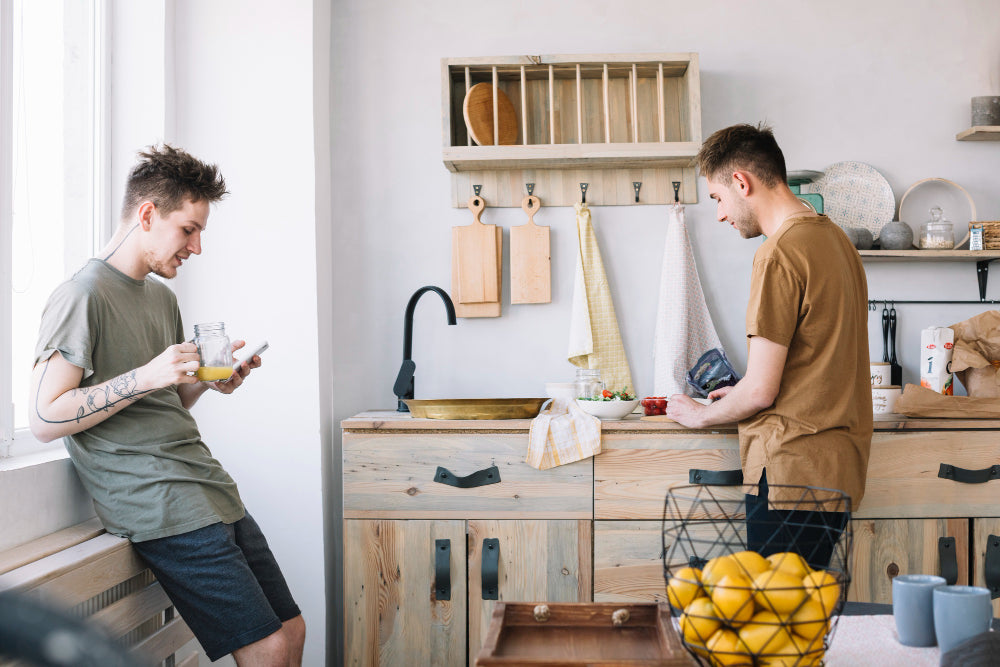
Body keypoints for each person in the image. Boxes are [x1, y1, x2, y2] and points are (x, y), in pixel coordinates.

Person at [28, 145, 305, 665]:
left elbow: (167, 399)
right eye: (188, 229)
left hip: (208, 485)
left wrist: (208, 383)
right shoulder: (80, 296)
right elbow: (44, 418)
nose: (197, 247)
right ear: (148, 214)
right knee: (267, 648)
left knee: (292, 629)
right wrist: (144, 375)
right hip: (158, 501)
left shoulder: (161, 298)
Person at [666, 123, 872, 567]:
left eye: (718, 198)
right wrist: (737, 394)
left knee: (777, 623)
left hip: (790, 474)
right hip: (836, 472)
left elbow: (762, 390)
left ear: (742, 182)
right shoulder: (838, 241)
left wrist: (701, 414)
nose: (721, 214)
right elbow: (811, 363)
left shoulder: (779, 252)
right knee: (806, 613)